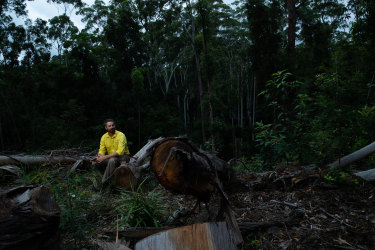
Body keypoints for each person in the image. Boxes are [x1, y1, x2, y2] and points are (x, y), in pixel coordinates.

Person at [91, 119, 130, 188]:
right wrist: (98, 157)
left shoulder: (121, 135)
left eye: (113, 125)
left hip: (123, 157)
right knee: (95, 162)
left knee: (112, 160)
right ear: (106, 128)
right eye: (109, 126)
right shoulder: (104, 137)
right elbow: (101, 151)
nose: (112, 127)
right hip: (111, 156)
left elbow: (120, 152)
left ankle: (104, 184)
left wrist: (105, 157)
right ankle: (98, 180)